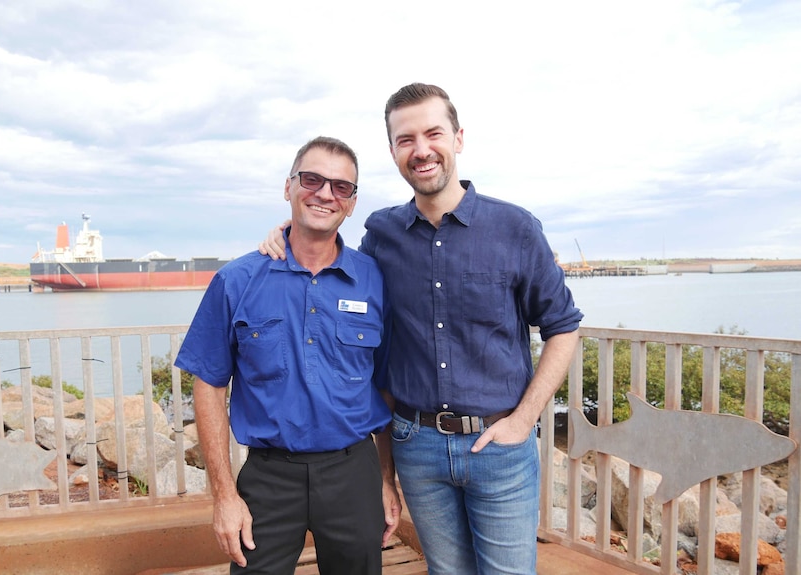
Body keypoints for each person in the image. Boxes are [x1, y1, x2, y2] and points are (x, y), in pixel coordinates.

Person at [260, 84, 583, 575]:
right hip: (417, 447)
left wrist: (523, 421)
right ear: (393, 152)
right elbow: (330, 267)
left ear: (458, 138)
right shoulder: (381, 235)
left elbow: (563, 326)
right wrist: (286, 232)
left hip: (499, 446)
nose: (421, 149)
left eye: (433, 133)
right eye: (405, 139)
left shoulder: (515, 229)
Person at [176, 136, 400, 575]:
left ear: (352, 203)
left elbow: (386, 386)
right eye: (312, 179)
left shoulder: (375, 280)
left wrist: (386, 481)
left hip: (354, 472)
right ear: (288, 187)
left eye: (341, 187)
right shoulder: (236, 281)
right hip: (268, 477)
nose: (324, 194)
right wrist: (224, 497)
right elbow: (208, 386)